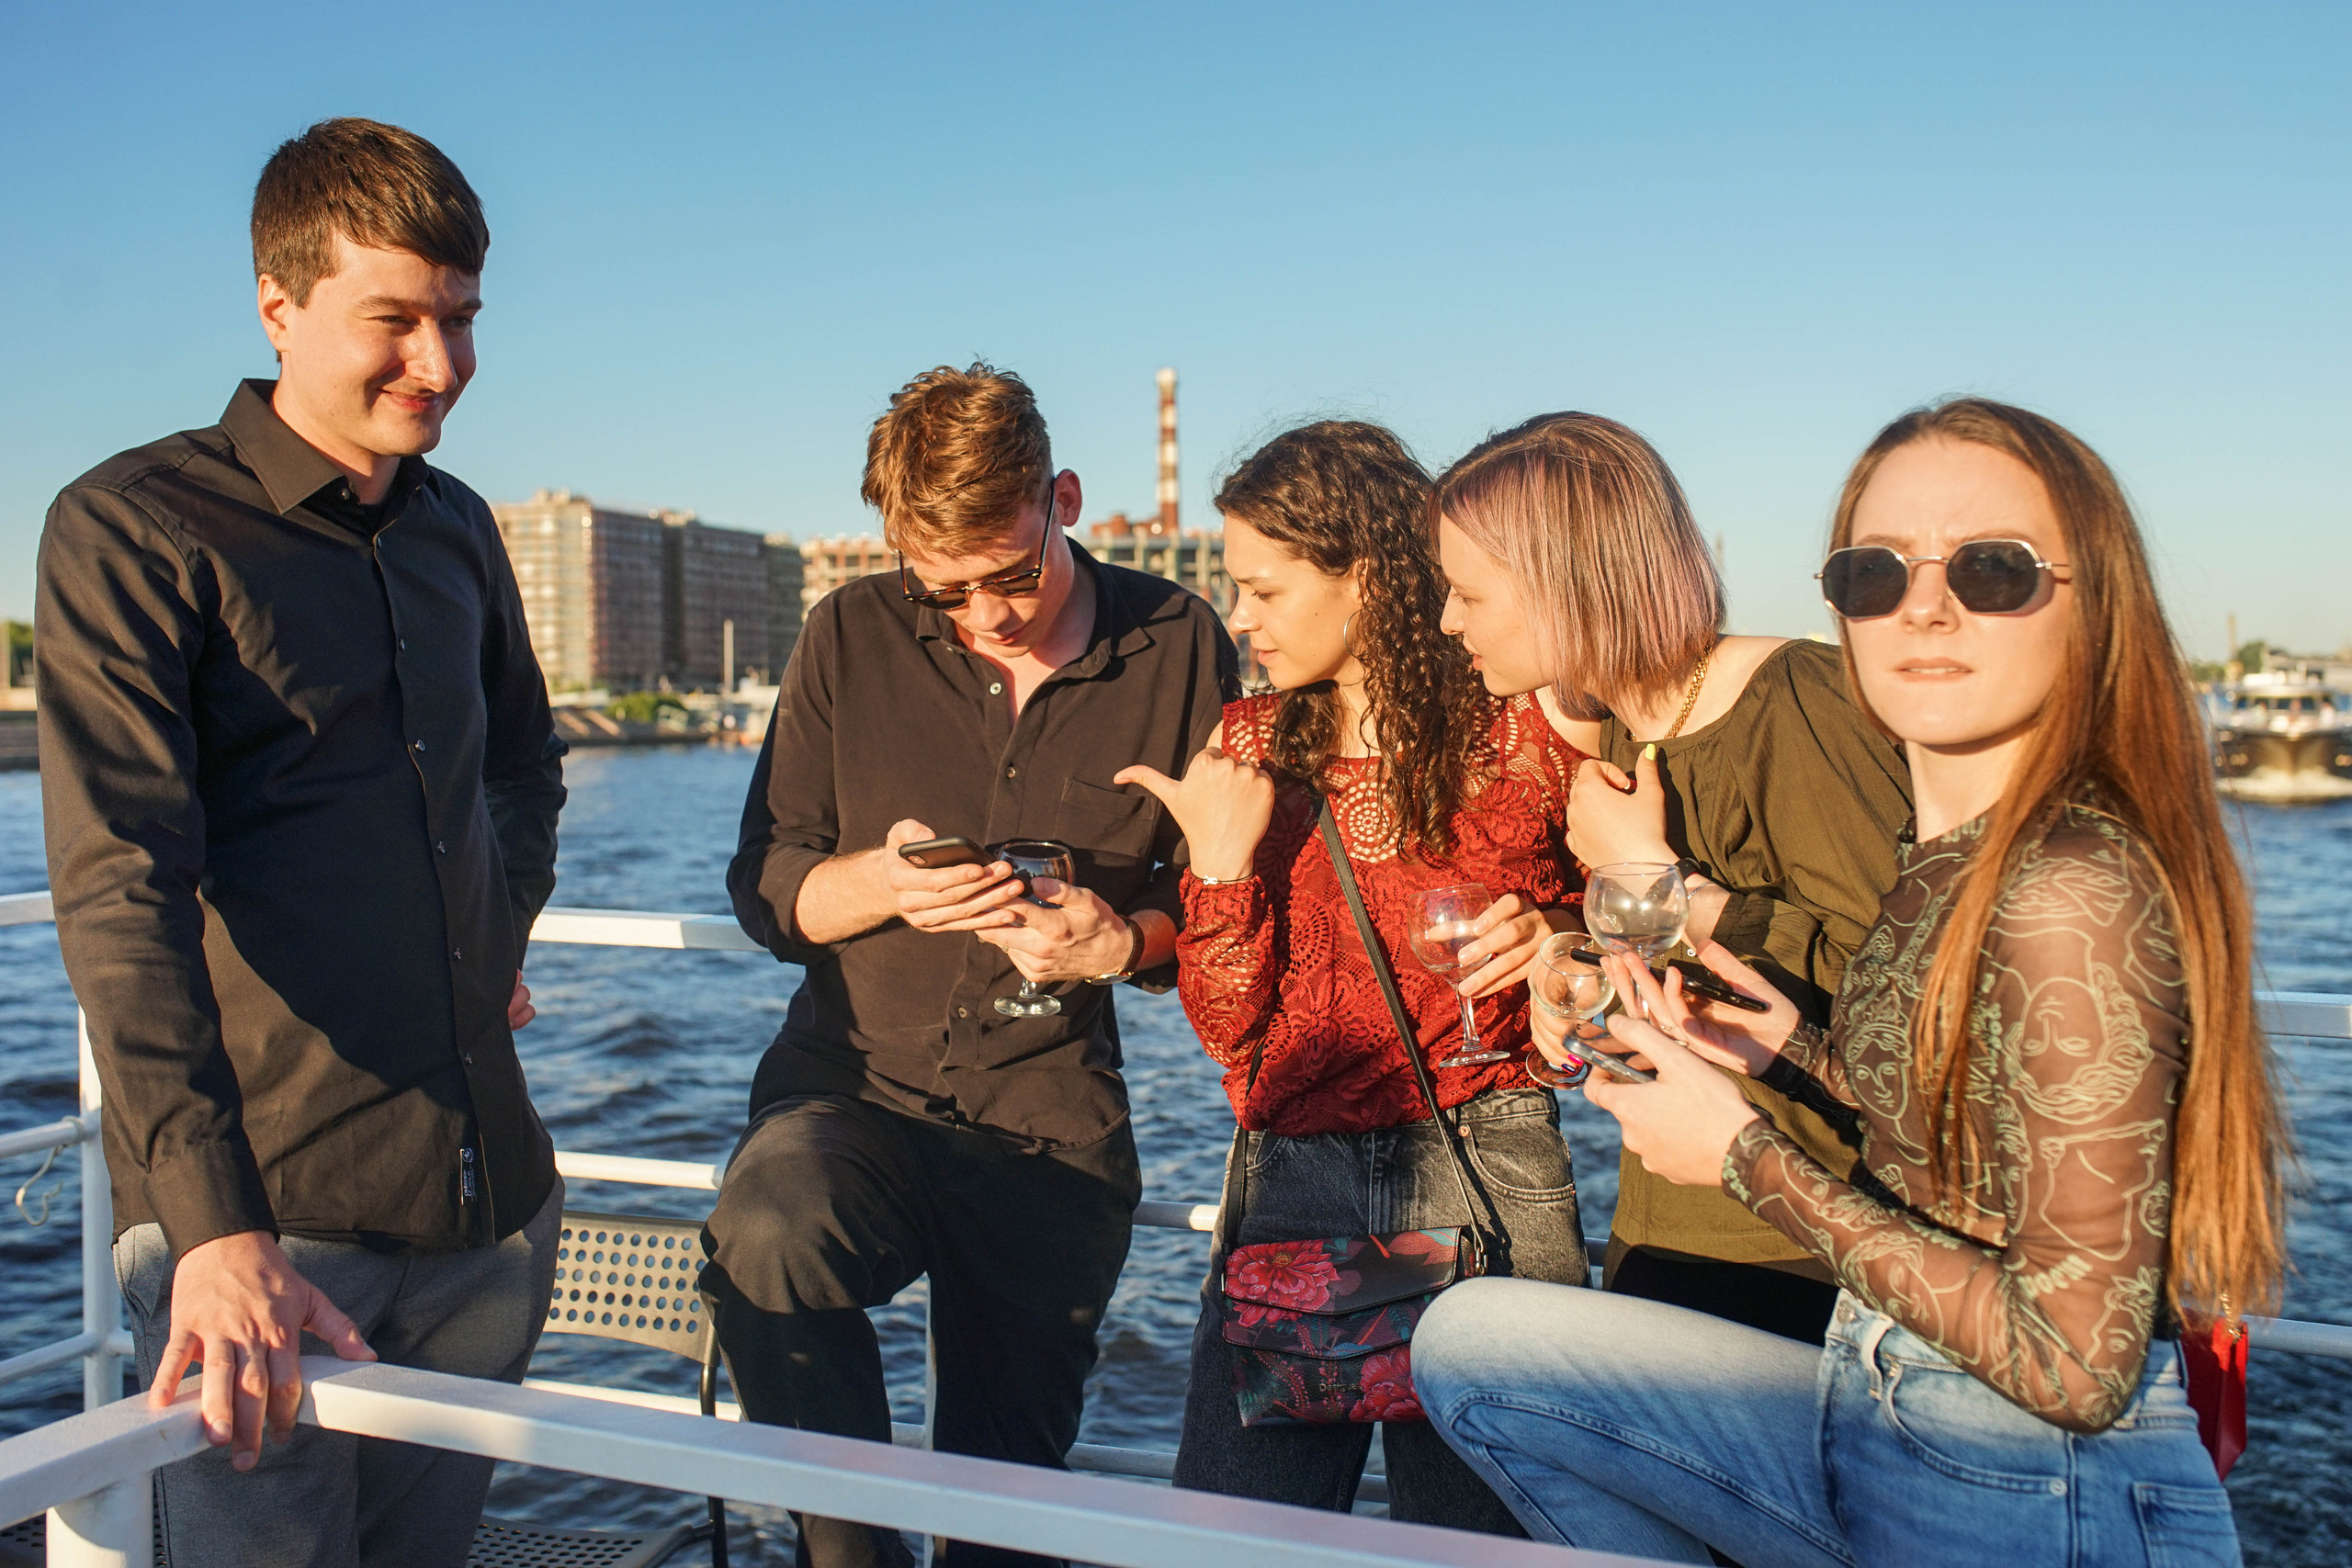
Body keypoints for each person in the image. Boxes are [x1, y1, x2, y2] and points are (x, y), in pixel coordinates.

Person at [1413, 398, 2288, 1567]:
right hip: (1906, 1423)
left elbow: (2079, 1366)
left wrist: (1738, 1150)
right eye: (1872, 574)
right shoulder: (1959, 854)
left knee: (1476, 1357)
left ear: (2098, 599)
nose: (1922, 605)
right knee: (1473, 1351)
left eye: (1992, 568)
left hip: (2034, 1496)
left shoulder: (2072, 883)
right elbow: (1947, 1102)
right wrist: (1788, 1051)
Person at [36, 119, 567, 1567]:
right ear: (279, 305)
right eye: (393, 319)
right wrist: (210, 1229)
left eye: (459, 319)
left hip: (490, 1214)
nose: (440, 365)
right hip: (270, 1234)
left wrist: (491, 942)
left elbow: (523, 769)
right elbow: (117, 881)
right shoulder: (132, 529)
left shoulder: (459, 529)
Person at [707, 363, 1238, 1568]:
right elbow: (768, 878)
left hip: (1049, 1121)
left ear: (1065, 497)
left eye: (1013, 573)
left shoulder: (1179, 641)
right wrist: (883, 883)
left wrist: (1122, 939)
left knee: (1009, 1518)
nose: (989, 615)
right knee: (768, 1223)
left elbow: (1220, 902)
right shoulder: (848, 630)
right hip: (853, 1090)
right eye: (944, 589)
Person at [1114, 422, 1587, 1533]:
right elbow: (1236, 1043)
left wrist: (1561, 932)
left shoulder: (1527, 729)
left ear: (1366, 579)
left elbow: (1613, 924)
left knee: (1482, 1545)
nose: (1242, 619)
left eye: (1265, 591)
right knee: (1234, 1541)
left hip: (1490, 1162)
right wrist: (1221, 867)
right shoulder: (1245, 749)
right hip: (1293, 1178)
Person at [1432, 412, 1912, 1345]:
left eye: (1467, 596)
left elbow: (1892, 990)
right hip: (1669, 1213)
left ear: (1561, 585)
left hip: (1806, 1240)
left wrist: (1655, 878)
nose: (1449, 622)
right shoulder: (1626, 730)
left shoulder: (1797, 707)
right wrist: (1568, 958)